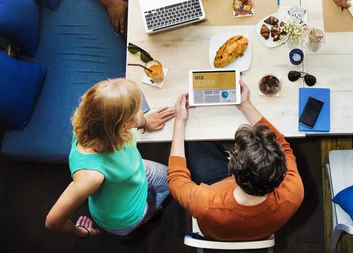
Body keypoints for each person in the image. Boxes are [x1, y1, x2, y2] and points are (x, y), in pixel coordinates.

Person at [167, 81, 304, 241]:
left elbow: (176, 179)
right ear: (281, 170)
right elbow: (283, 145)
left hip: (218, 200)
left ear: (231, 166)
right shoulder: (294, 191)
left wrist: (179, 121)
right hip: (261, 226)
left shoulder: (207, 203)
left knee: (193, 143)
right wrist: (245, 105)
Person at [45, 78, 175, 238]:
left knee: (172, 178)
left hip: (134, 173)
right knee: (162, 199)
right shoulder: (90, 176)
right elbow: (53, 221)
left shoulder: (94, 120)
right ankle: (142, 225)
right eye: (134, 113)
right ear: (122, 126)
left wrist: (145, 122)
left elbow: (134, 116)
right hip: (126, 215)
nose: (140, 114)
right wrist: (82, 232)